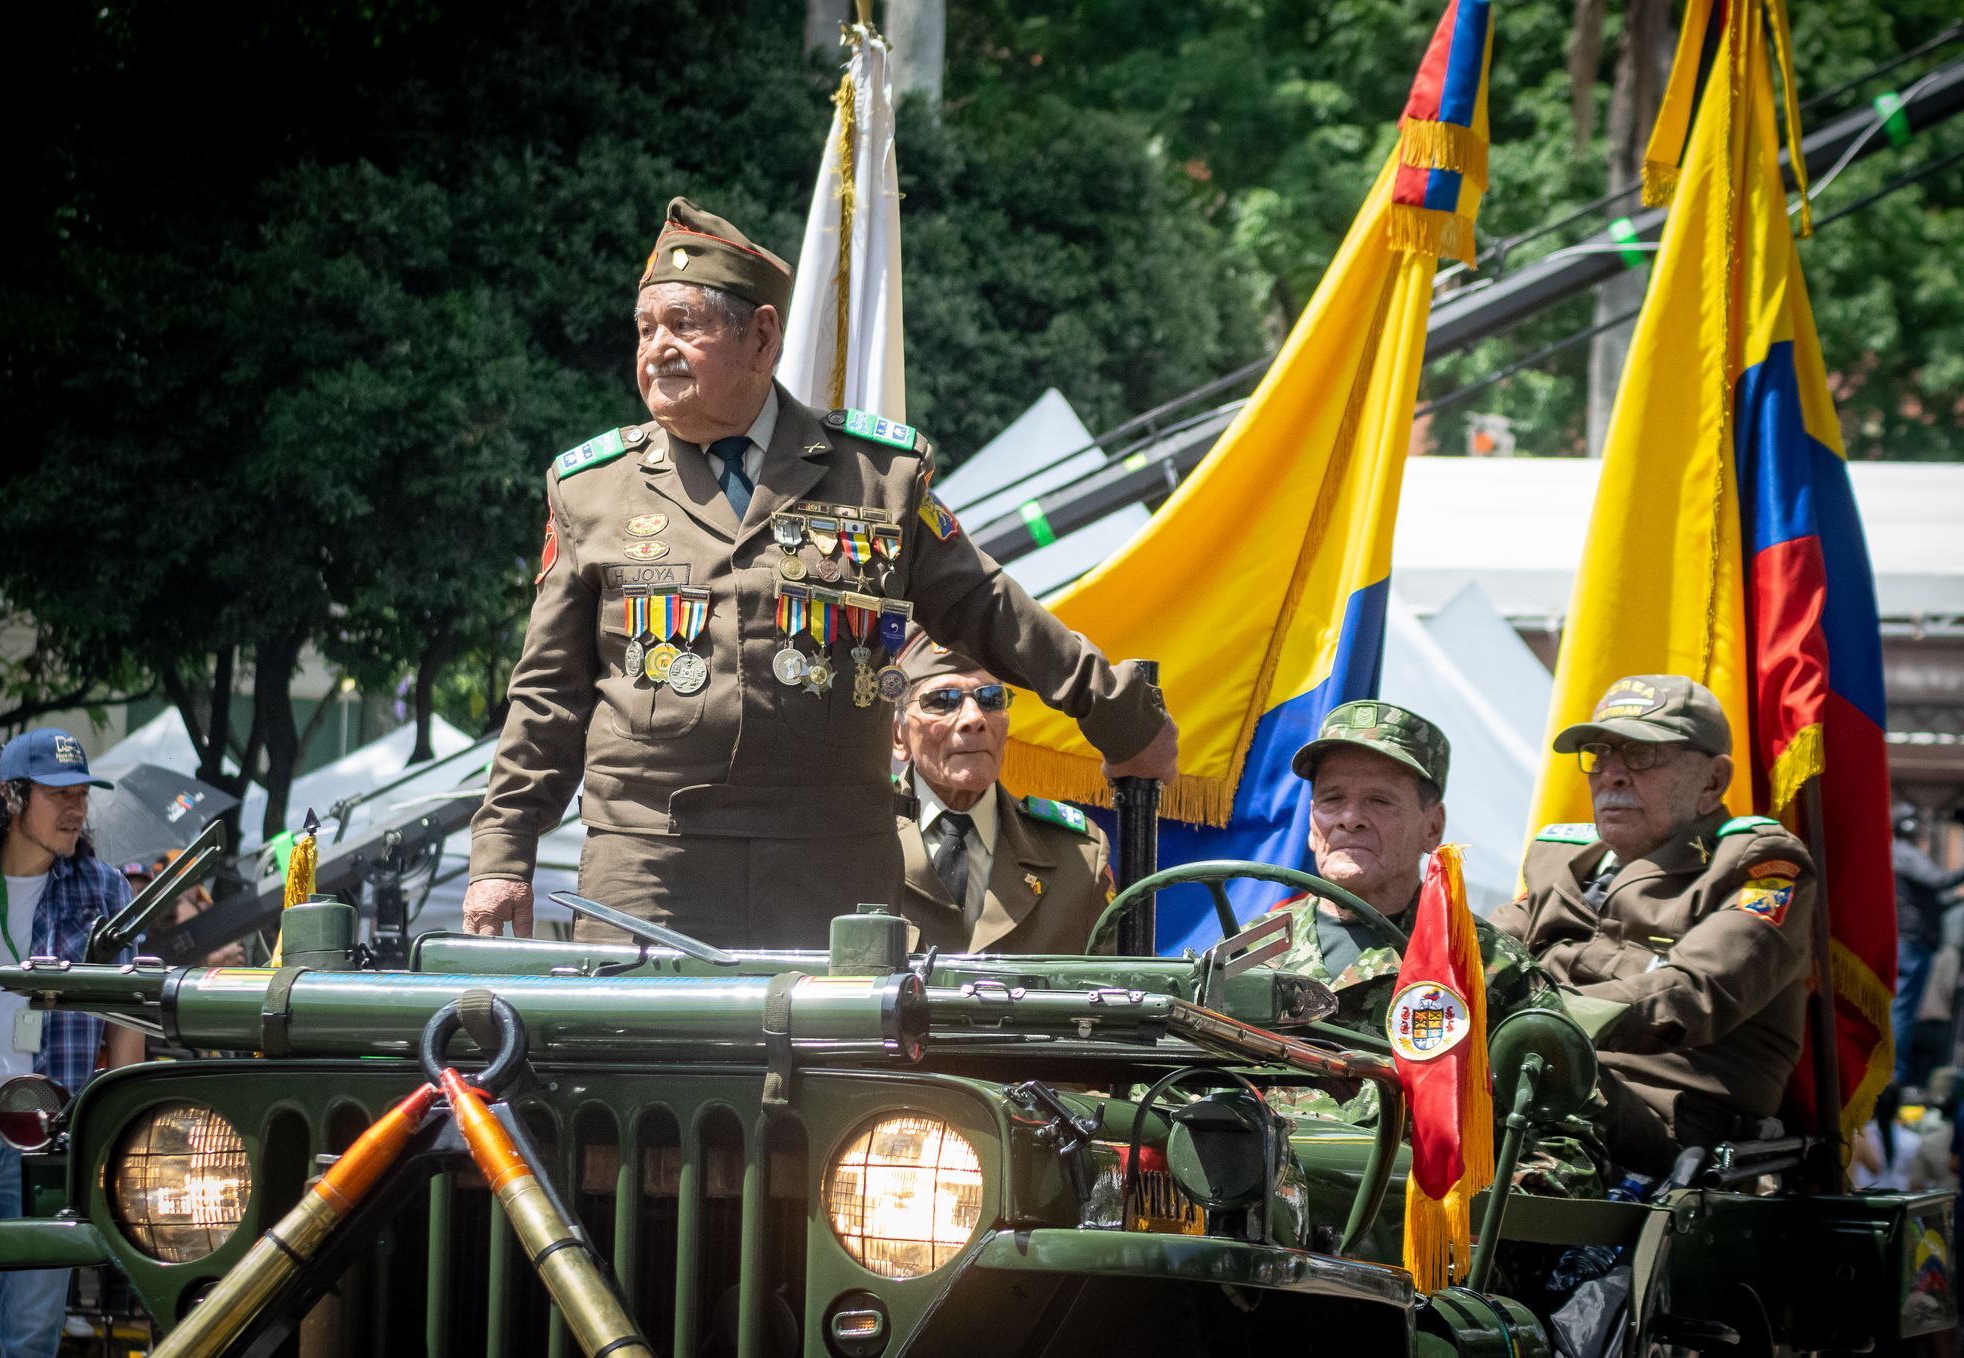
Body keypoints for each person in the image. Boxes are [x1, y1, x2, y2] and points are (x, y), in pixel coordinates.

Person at [464, 197, 1175, 949]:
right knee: (651, 1066)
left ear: (762, 337)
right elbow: (548, 695)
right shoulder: (591, 488)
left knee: (832, 1068)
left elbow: (986, 608)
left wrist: (1118, 712)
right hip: (649, 870)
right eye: (645, 330)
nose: (657, 350)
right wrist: (500, 856)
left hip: (828, 870)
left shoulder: (875, 476)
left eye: (684, 325)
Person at [1255, 700, 1608, 1196]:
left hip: (1407, 1245)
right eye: (1331, 799)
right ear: (1312, 821)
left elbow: (1573, 1145)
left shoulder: (1486, 966)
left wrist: (1462, 1212)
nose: (1350, 819)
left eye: (1379, 801)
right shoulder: (1250, 952)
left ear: (1432, 827)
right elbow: (1171, 1091)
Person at [1491, 675, 1816, 1177]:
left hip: (1666, 1129)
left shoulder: (1759, 865)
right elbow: (1480, 951)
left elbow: (1694, 991)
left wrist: (1542, 1020)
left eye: (1641, 754)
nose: (1612, 775)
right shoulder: (1560, 857)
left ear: (1712, 782)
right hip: (1550, 1086)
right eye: (1599, 753)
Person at [0, 729, 140, 1358]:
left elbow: (126, 1022)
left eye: (82, 795)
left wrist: (113, 1132)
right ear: (11, 798)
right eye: (58, 793)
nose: (77, 808)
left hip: (50, 1133)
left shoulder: (104, 891)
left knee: (33, 1337)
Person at [889, 629, 1114, 953]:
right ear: (899, 736)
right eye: (942, 701)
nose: (974, 718)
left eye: (990, 698)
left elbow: (1126, 990)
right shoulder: (855, 843)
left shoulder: (1078, 857)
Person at [1892, 803, 1964, 1086]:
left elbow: (1929, 895)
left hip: (1910, 939)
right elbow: (1938, 881)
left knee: (1904, 1009)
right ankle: (1896, 1078)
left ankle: (1896, 1076)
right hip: (1911, 940)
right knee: (1903, 1010)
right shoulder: (1904, 852)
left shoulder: (1898, 852)